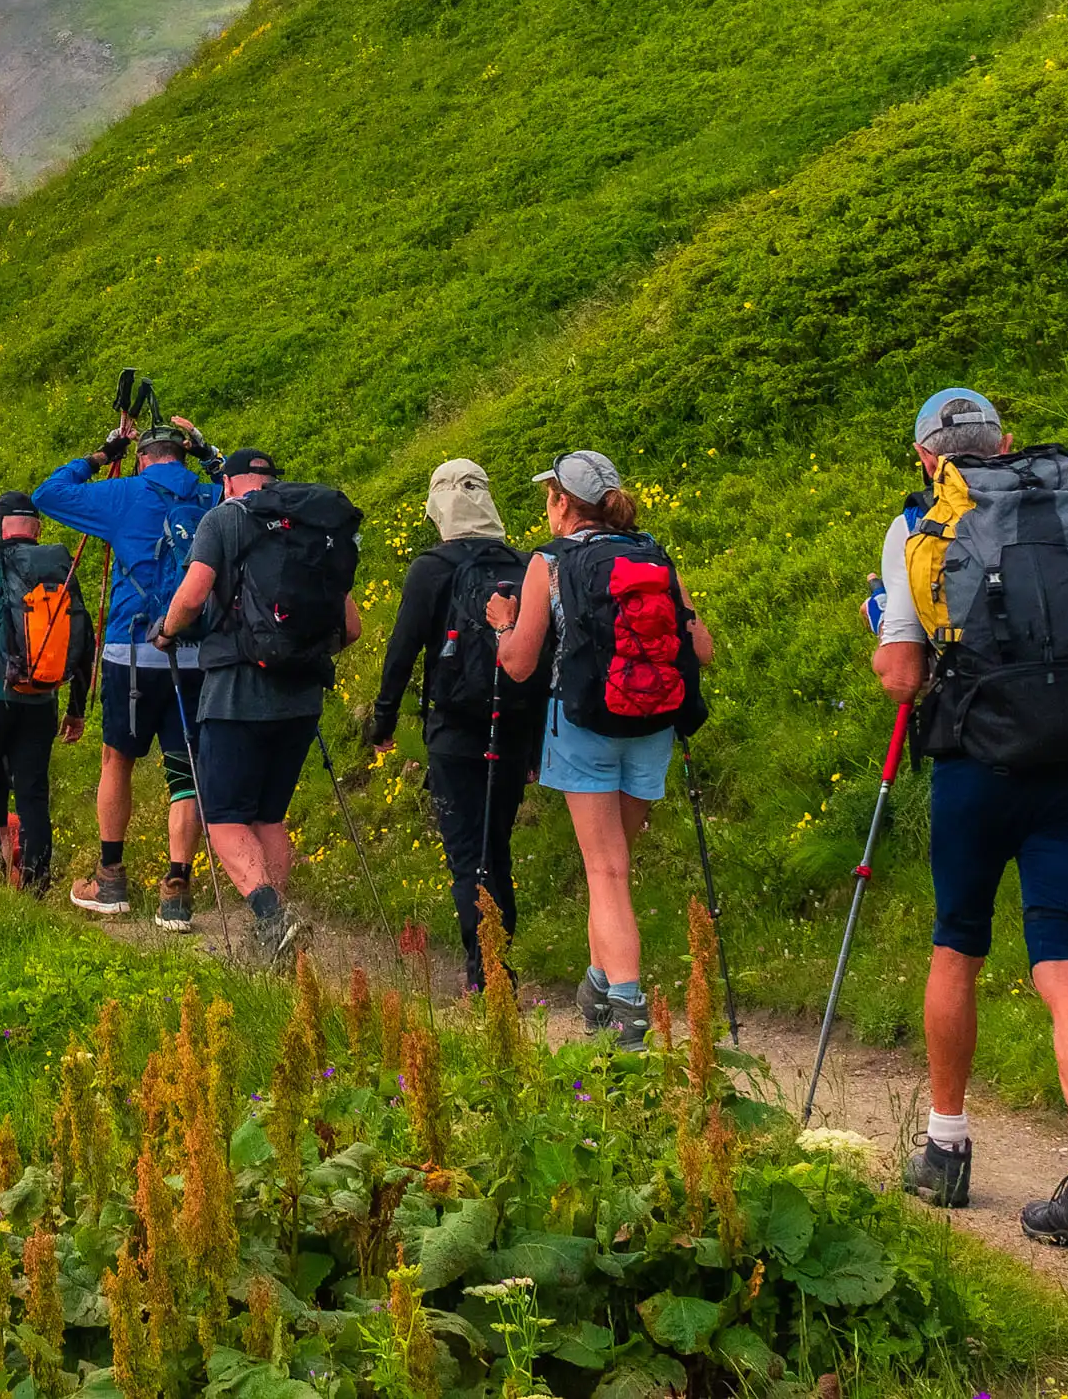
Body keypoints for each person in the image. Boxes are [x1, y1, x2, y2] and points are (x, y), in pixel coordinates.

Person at [875, 386, 1068, 1256]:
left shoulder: (919, 528)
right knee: (1062, 960)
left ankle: (945, 1150)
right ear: (1008, 442)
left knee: (958, 945)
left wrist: (885, 629)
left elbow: (903, 678)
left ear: (928, 456)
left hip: (976, 767)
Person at [490, 450, 714, 1047]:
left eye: (550, 496)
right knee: (614, 868)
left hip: (584, 724)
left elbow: (517, 665)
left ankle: (628, 1005)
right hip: (654, 723)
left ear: (562, 502)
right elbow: (705, 649)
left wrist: (502, 623)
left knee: (605, 869)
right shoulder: (654, 554)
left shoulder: (551, 562)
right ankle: (597, 982)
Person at [155, 447, 366, 965]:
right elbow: (353, 627)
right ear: (272, 482)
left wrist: (166, 632)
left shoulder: (223, 520)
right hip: (302, 696)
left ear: (228, 483)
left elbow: (192, 594)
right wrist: (299, 653)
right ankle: (278, 935)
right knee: (269, 816)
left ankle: (273, 917)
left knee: (223, 815)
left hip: (235, 692)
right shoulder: (310, 525)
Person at [36, 419, 224, 930]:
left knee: (116, 759)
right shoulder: (211, 497)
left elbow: (48, 494)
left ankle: (111, 879)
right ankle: (177, 890)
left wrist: (100, 455)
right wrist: (209, 451)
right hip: (195, 653)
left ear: (142, 458)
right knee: (184, 772)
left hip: (132, 650)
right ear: (181, 457)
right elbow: (246, 488)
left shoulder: (123, 494)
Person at [366, 457, 538, 991]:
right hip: (513, 726)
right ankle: (497, 962)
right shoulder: (526, 563)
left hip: (454, 729)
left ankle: (485, 973)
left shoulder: (431, 569)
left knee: (468, 855)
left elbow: (403, 649)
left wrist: (383, 719)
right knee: (496, 847)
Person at [0, 492, 96, 892]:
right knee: (32, 793)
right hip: (42, 701)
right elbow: (84, 640)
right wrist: (77, 708)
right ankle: (36, 882)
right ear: (37, 529)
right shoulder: (62, 567)